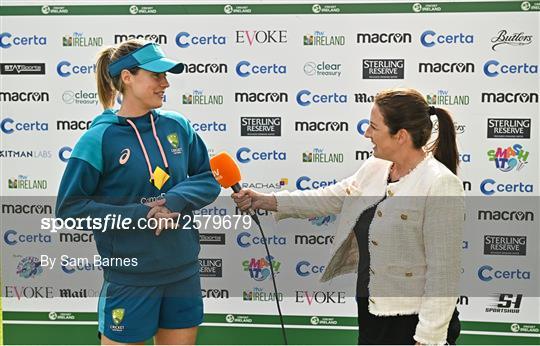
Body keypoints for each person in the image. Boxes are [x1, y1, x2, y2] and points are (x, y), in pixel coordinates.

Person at [233, 88, 465, 345]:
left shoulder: (440, 183)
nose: (367, 134)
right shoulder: (375, 167)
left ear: (400, 135)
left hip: (414, 322)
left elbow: (444, 273)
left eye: (373, 127)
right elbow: (332, 196)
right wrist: (266, 200)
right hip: (371, 313)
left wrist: (428, 338)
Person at [56, 40, 221, 345]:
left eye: (166, 76)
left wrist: (173, 201)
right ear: (127, 78)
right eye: (156, 75)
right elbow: (70, 209)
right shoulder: (99, 138)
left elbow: (209, 178)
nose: (165, 83)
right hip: (130, 280)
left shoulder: (178, 126)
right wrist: (142, 215)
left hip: (182, 273)